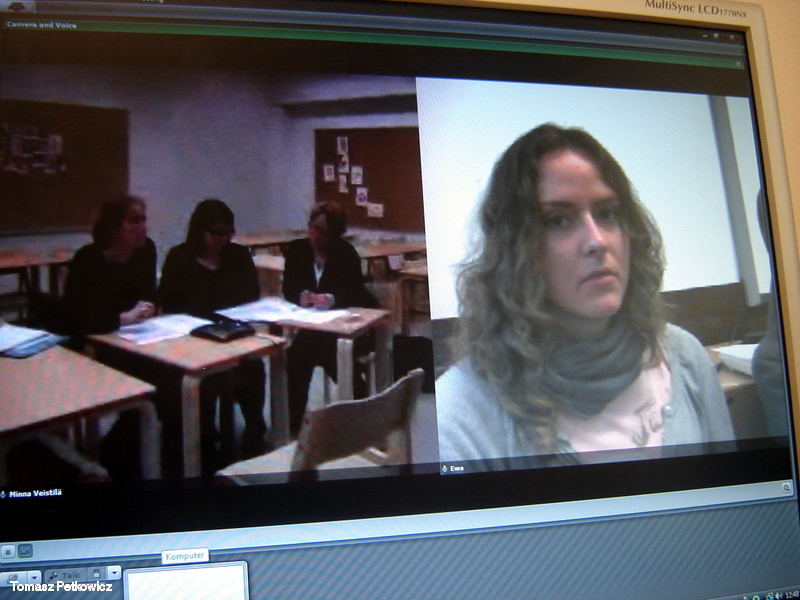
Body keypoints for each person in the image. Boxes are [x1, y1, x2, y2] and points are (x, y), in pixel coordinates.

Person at [436, 124, 735, 466]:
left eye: (607, 214)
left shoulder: (684, 359)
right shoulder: (460, 415)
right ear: (514, 249)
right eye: (558, 220)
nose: (597, 241)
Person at [159, 199, 267, 461]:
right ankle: (203, 434)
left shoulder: (238, 256)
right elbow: (170, 304)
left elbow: (251, 297)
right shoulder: (179, 257)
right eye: (217, 233)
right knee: (202, 377)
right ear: (200, 231)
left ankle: (254, 429)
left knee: (253, 367)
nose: (224, 239)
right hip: (192, 336)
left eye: (228, 233)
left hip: (231, 333)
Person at [282, 201, 377, 436]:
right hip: (314, 328)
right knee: (294, 360)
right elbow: (289, 288)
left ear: (335, 234)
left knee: (334, 356)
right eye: (312, 228)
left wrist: (331, 299)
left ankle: (361, 421)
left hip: (344, 329)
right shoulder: (297, 250)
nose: (314, 235)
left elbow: (353, 291)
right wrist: (301, 296)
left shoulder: (346, 253)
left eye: (322, 231)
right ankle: (293, 427)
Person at [62, 194, 156, 335]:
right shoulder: (88, 258)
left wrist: (149, 307)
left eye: (143, 220)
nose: (143, 227)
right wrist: (122, 319)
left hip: (135, 332)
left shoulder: (146, 249)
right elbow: (77, 316)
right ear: (113, 226)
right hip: (94, 335)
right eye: (134, 221)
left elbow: (149, 294)